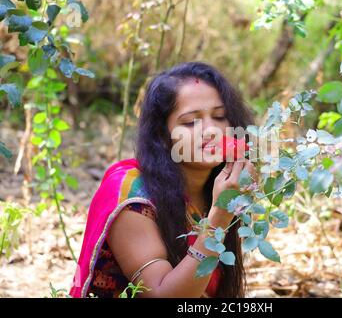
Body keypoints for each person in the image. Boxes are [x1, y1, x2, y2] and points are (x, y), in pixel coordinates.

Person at [69, 61, 256, 298]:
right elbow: (161, 295)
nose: (211, 130)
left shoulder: (220, 183)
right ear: (162, 135)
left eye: (220, 116)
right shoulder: (132, 193)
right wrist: (219, 216)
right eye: (190, 122)